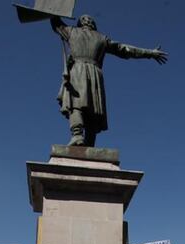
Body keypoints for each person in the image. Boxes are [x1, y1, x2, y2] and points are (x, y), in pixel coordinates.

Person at [49, 15, 168, 147]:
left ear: (80, 23)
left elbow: (56, 22)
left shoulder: (71, 31)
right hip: (95, 74)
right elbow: (124, 49)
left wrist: (55, 10)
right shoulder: (102, 38)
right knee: (92, 109)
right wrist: (149, 53)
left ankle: (77, 135)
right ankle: (89, 142)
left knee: (75, 104)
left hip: (77, 71)